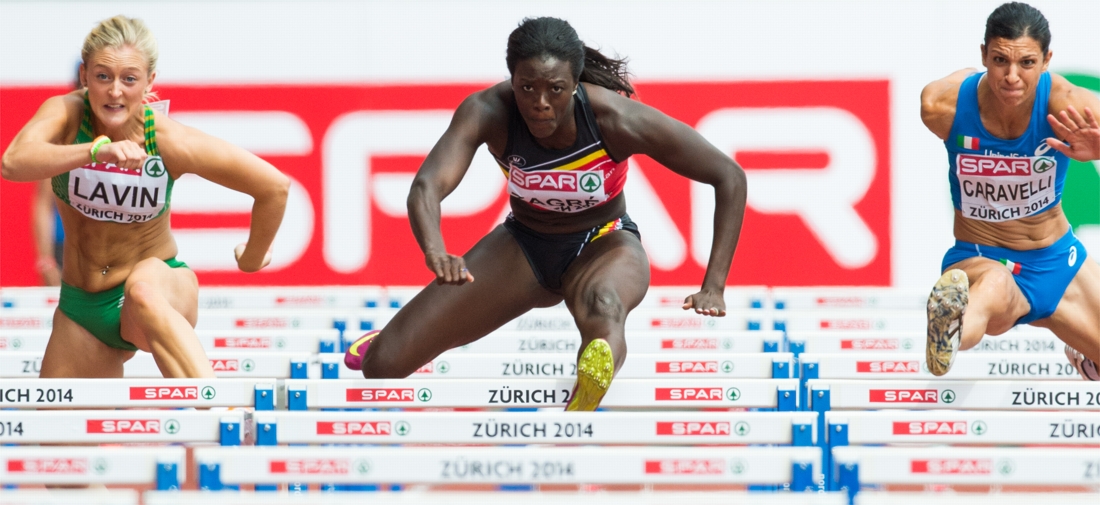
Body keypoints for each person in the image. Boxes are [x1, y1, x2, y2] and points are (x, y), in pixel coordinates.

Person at [345, 17, 747, 410]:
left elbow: (728, 175)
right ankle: (388, 340)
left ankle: (590, 383)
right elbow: (427, 186)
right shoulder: (487, 110)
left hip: (603, 242)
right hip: (523, 246)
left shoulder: (615, 119)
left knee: (604, 305)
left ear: (575, 84)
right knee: (383, 367)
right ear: (511, 80)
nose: (539, 103)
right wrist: (434, 250)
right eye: (526, 88)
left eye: (555, 89)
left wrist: (714, 284)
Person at [1, 15, 290, 379]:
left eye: (129, 79)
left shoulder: (167, 139)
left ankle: (223, 414)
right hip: (83, 305)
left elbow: (273, 187)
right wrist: (95, 151)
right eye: (103, 76)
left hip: (160, 288)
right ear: (84, 75)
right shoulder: (66, 114)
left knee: (142, 291)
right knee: (59, 433)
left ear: (150, 81)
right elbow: (12, 164)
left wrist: (251, 258)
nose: (115, 91)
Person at [921, 2, 1099, 379]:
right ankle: (946, 330)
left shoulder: (1068, 106)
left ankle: (1080, 347)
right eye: (1000, 60)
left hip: (1058, 261)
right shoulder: (944, 106)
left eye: (1027, 63)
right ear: (983, 53)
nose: (1012, 77)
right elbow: (950, 88)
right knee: (995, 288)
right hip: (982, 256)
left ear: (1047, 60)